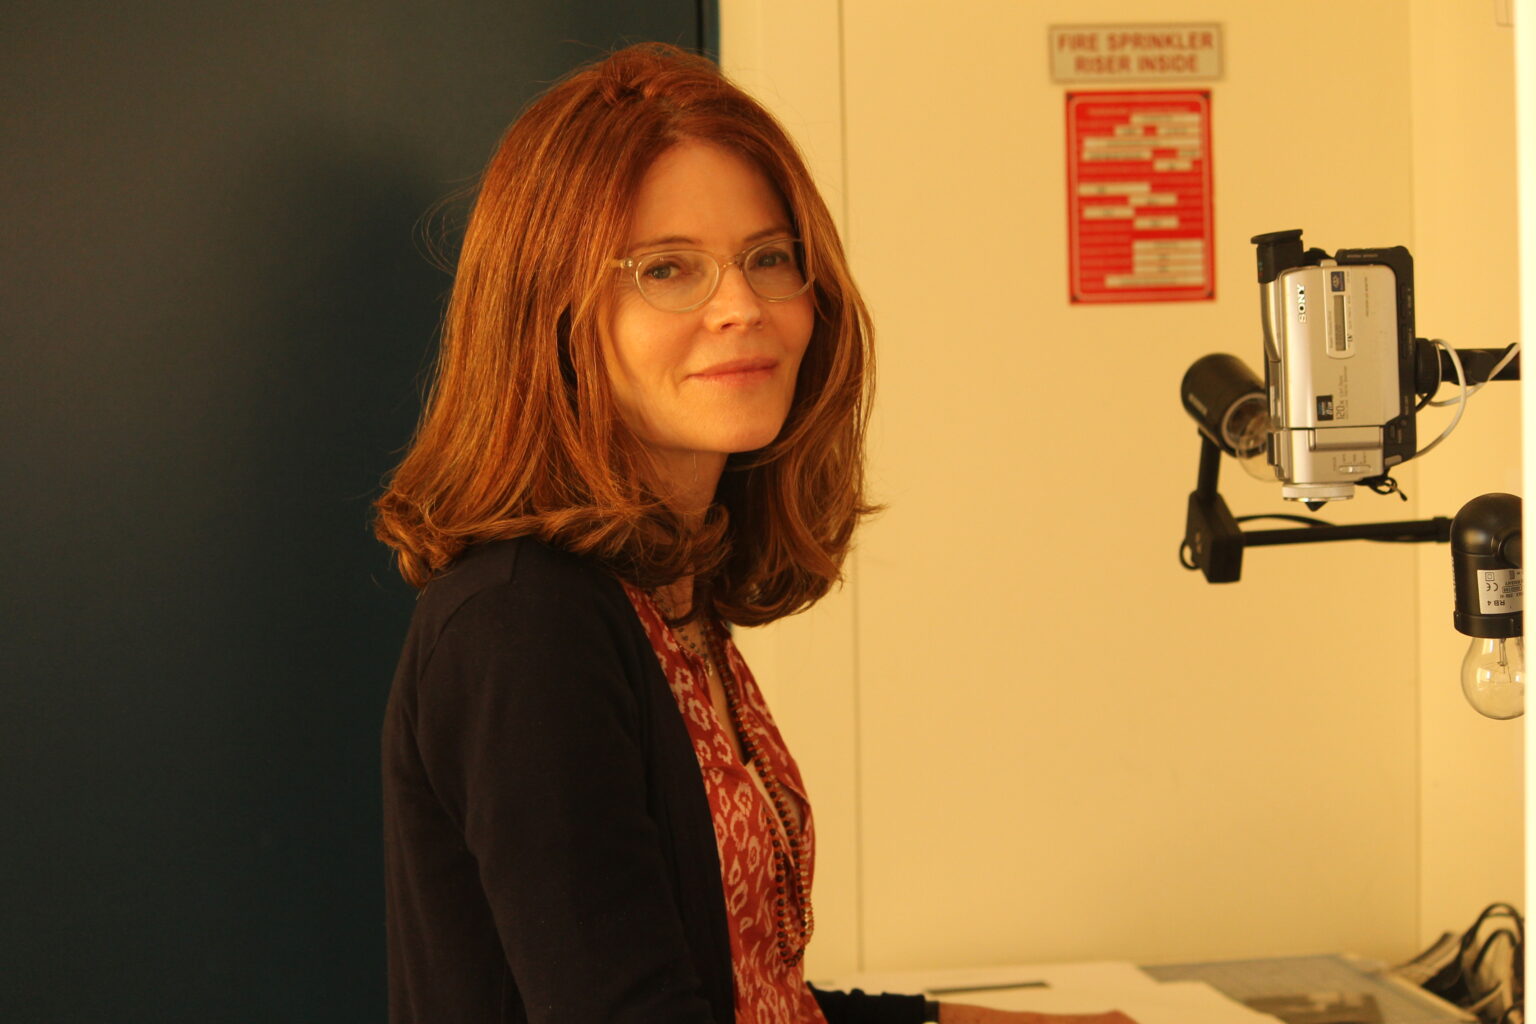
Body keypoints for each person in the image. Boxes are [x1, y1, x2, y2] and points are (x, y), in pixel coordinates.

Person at [374, 42, 1136, 1024]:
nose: (741, 307)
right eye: (668, 269)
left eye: (769, 258)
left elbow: (754, 994)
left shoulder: (663, 593)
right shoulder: (526, 626)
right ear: (553, 314)